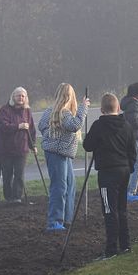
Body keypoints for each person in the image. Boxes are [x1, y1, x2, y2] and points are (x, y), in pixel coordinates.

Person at [83, 93, 136, 260]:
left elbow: (87, 145)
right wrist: (130, 167)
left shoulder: (99, 125)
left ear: (101, 109)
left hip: (107, 173)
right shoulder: (126, 125)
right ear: (118, 108)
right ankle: (125, 244)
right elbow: (132, 151)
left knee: (109, 210)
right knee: (121, 208)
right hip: (124, 170)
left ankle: (111, 249)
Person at [38, 83, 89, 231]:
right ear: (70, 96)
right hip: (57, 153)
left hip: (63, 153)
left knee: (70, 186)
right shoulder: (64, 112)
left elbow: (41, 126)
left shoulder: (51, 110)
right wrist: (83, 107)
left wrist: (51, 135)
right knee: (59, 187)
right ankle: (55, 222)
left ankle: (67, 219)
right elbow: (75, 125)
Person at [0, 87, 37, 203]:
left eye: (23, 96)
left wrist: (33, 145)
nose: (20, 98)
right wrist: (18, 126)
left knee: (19, 174)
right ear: (13, 97)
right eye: (18, 95)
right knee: (7, 175)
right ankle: (8, 197)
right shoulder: (5, 110)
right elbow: (3, 126)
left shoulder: (27, 111)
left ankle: (17, 197)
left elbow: (31, 129)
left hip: (21, 148)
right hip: (5, 149)